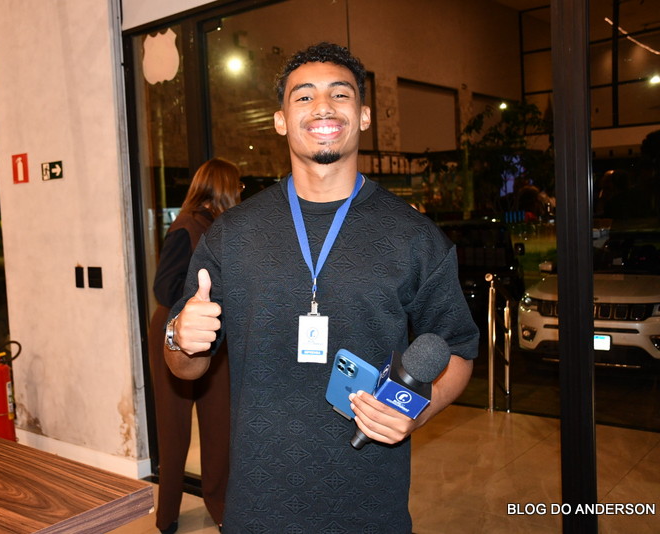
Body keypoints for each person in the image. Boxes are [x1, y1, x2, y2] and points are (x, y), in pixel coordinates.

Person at [164, 43, 479, 533]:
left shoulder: (414, 237)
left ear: (364, 115)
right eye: (304, 96)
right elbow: (185, 367)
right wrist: (180, 338)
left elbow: (458, 348)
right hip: (257, 505)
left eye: (340, 94)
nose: (323, 107)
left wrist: (415, 413)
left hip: (371, 506)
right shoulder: (232, 234)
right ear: (281, 120)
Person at [149, 157, 241, 534]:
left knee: (218, 426)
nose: (240, 192)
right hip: (174, 333)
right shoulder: (186, 226)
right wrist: (196, 305)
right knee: (174, 430)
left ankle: (219, 507)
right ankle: (167, 515)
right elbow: (163, 288)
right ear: (222, 187)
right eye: (237, 186)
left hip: (213, 335)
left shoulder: (221, 227)